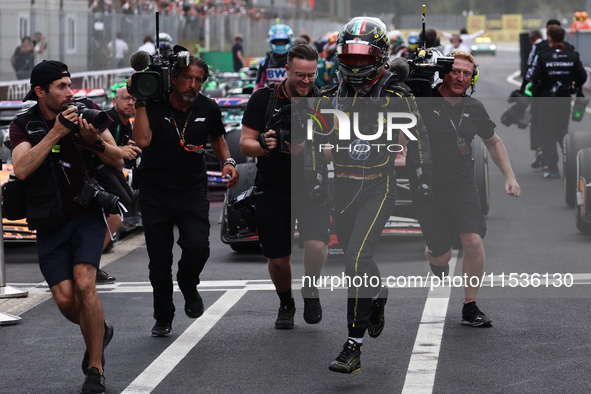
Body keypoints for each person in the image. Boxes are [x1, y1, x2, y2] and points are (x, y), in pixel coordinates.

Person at [316, 17, 433, 374]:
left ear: (379, 56)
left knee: (354, 261)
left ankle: (353, 345)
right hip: (343, 187)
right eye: (348, 55)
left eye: (361, 55)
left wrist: (422, 179)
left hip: (378, 185)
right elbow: (313, 144)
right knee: (360, 260)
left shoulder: (398, 95)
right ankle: (379, 295)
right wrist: (316, 176)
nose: (353, 62)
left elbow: (419, 139)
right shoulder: (327, 96)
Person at [9, 60, 123, 393]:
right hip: (48, 222)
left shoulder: (87, 112)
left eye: (69, 85)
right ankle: (100, 330)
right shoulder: (23, 124)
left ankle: (95, 369)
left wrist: (95, 142)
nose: (69, 92)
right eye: (61, 87)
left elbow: (117, 159)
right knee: (64, 299)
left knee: (85, 283)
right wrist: (57, 132)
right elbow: (22, 168)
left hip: (87, 216)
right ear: (40, 91)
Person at [131, 53, 239, 337]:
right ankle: (163, 315)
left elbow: (217, 138)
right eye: (188, 78)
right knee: (159, 264)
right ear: (174, 78)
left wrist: (228, 161)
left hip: (191, 192)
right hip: (155, 193)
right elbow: (141, 141)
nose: (193, 85)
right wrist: (141, 100)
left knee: (198, 247)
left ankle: (188, 284)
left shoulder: (208, 107)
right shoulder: (152, 104)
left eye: (199, 80)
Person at [412, 50, 520, 329]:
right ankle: (433, 256)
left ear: (473, 78)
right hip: (427, 186)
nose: (460, 77)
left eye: (467, 73)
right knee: (442, 255)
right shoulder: (421, 100)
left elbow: (493, 142)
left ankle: (470, 306)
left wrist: (509, 176)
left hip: (462, 185)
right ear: (444, 71)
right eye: (455, 71)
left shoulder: (474, 108)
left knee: (473, 241)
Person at [240, 44, 331, 329]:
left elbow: (340, 148)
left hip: (312, 186)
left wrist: (310, 149)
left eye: (311, 75)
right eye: (300, 75)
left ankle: (311, 291)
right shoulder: (263, 99)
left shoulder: (326, 101)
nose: (306, 81)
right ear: (288, 70)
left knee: (316, 246)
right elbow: (245, 144)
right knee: (279, 259)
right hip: (272, 187)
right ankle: (286, 302)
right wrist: (265, 147)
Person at [530, 25, 587, 178]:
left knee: (547, 133)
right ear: (563, 38)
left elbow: (534, 77)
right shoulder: (573, 55)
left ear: (550, 38)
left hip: (547, 99)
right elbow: (582, 76)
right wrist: (573, 83)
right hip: (564, 99)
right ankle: (573, 163)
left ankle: (552, 168)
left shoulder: (543, 55)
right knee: (562, 131)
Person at [523, 20, 575, 169]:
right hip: (563, 95)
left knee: (541, 125)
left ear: (548, 33)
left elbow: (531, 69)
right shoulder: (570, 48)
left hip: (542, 95)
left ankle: (542, 154)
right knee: (562, 127)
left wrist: (526, 89)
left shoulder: (539, 47)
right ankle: (569, 154)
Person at [101, 87, 142, 257]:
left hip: (113, 171)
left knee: (120, 212)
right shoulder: (108, 119)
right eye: (126, 98)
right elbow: (96, 147)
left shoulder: (126, 124)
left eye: (134, 99)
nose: (131, 103)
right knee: (115, 217)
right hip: (97, 173)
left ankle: (90, 263)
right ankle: (88, 262)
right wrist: (120, 150)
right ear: (114, 101)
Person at [255, 24, 293, 90]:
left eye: (283, 41)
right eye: (277, 41)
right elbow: (258, 85)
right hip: (271, 97)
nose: (280, 43)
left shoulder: (295, 61)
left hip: (291, 98)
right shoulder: (265, 61)